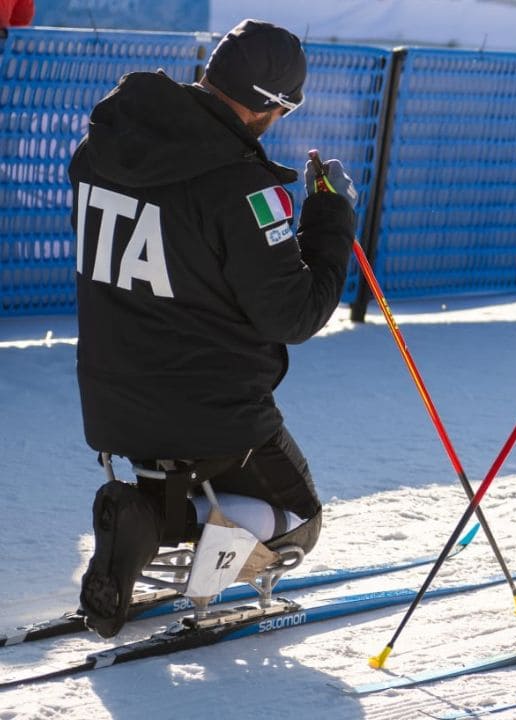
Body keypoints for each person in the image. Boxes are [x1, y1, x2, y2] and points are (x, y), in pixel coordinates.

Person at [69, 18, 358, 638]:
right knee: (300, 521)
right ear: (273, 106)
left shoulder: (102, 149)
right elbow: (296, 314)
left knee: (197, 456)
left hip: (110, 400)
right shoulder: (239, 187)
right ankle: (154, 521)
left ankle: (146, 514)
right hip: (213, 412)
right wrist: (331, 218)